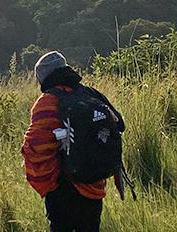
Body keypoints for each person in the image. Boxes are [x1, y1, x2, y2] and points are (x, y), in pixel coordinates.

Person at [22, 51, 125, 232]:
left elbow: (35, 146)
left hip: (62, 187)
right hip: (94, 183)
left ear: (42, 78)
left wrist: (47, 182)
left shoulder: (47, 101)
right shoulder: (91, 93)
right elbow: (119, 124)